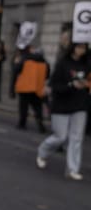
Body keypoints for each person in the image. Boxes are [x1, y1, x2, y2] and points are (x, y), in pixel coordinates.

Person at [36, 42, 89, 180]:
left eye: (84, 48)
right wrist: (71, 85)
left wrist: (84, 85)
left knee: (76, 138)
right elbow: (55, 85)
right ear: (73, 48)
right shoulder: (62, 64)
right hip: (62, 105)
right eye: (79, 47)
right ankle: (43, 152)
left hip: (80, 105)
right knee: (60, 136)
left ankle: (72, 169)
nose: (81, 50)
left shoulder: (87, 63)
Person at [13, 45, 49, 132]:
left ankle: (22, 123)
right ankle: (40, 123)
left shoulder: (25, 60)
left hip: (25, 87)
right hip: (37, 87)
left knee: (23, 107)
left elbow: (16, 70)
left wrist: (16, 62)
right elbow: (47, 76)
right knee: (37, 107)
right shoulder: (45, 63)